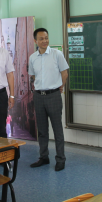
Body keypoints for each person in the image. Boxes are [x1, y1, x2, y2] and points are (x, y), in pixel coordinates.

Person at [28, 28, 69, 172]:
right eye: (41, 39)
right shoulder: (32, 57)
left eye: (46, 38)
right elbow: (33, 76)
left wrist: (60, 86)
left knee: (57, 129)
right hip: (38, 96)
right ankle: (44, 157)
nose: (44, 41)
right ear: (35, 41)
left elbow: (64, 73)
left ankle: (60, 159)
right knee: (42, 130)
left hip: (53, 96)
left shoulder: (57, 54)